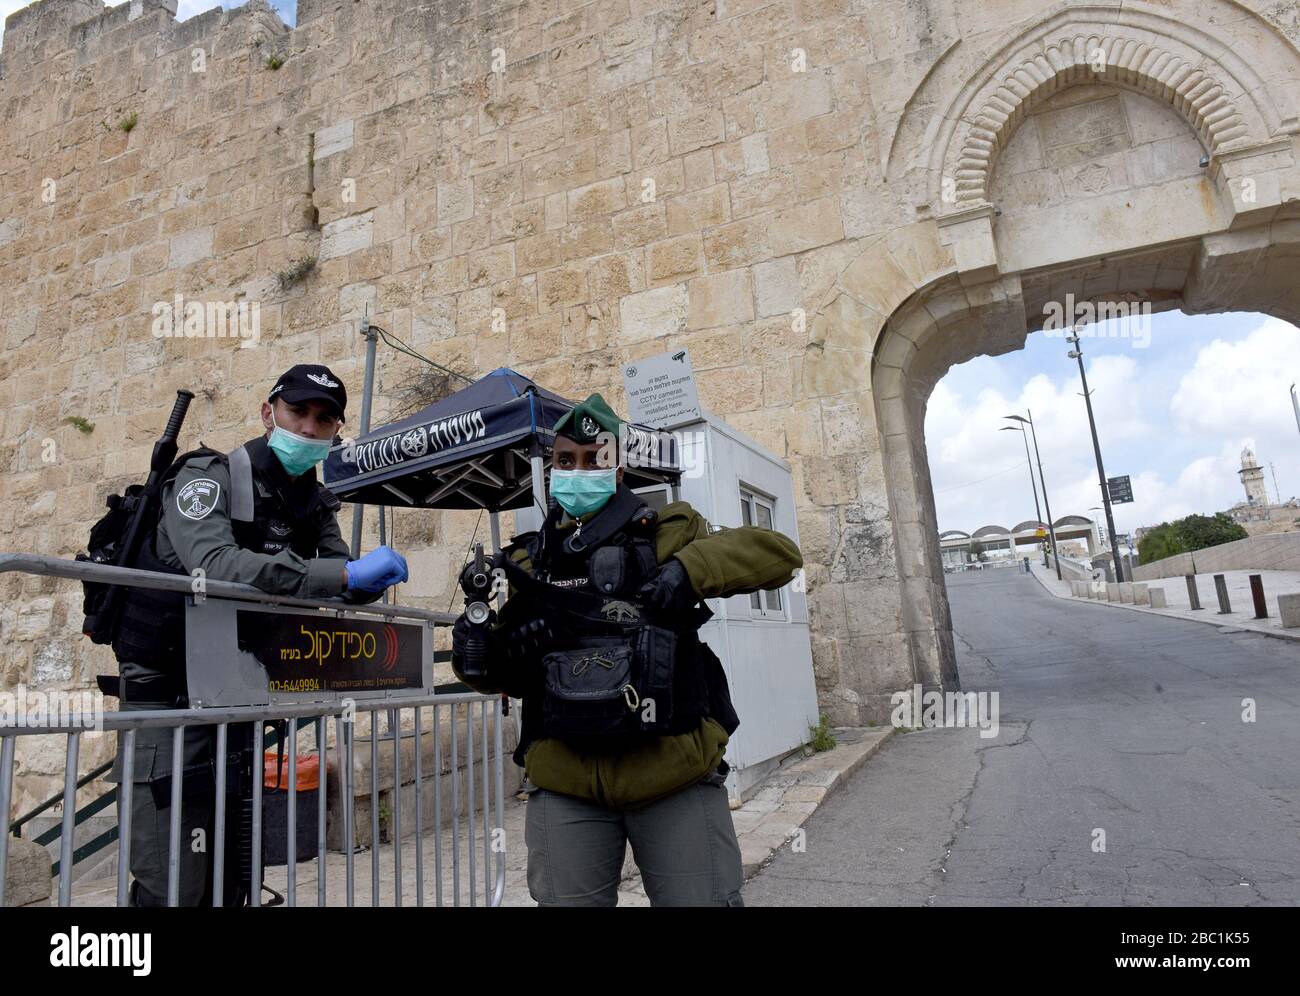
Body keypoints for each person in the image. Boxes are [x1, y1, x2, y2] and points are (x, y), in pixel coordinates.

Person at [451, 393, 803, 906]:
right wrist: (476, 651)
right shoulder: (530, 561)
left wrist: (691, 569)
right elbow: (507, 673)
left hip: (673, 773)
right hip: (565, 781)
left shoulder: (669, 533)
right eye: (565, 461)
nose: (578, 470)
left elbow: (781, 556)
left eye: (595, 457)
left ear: (618, 467)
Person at [108, 364, 409, 906]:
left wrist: (361, 585)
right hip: (170, 708)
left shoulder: (312, 505)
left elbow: (333, 581)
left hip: (239, 708)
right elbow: (215, 564)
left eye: (325, 419)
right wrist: (341, 577)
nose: (311, 428)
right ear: (268, 413)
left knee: (233, 876)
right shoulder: (208, 479)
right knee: (172, 884)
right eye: (299, 412)